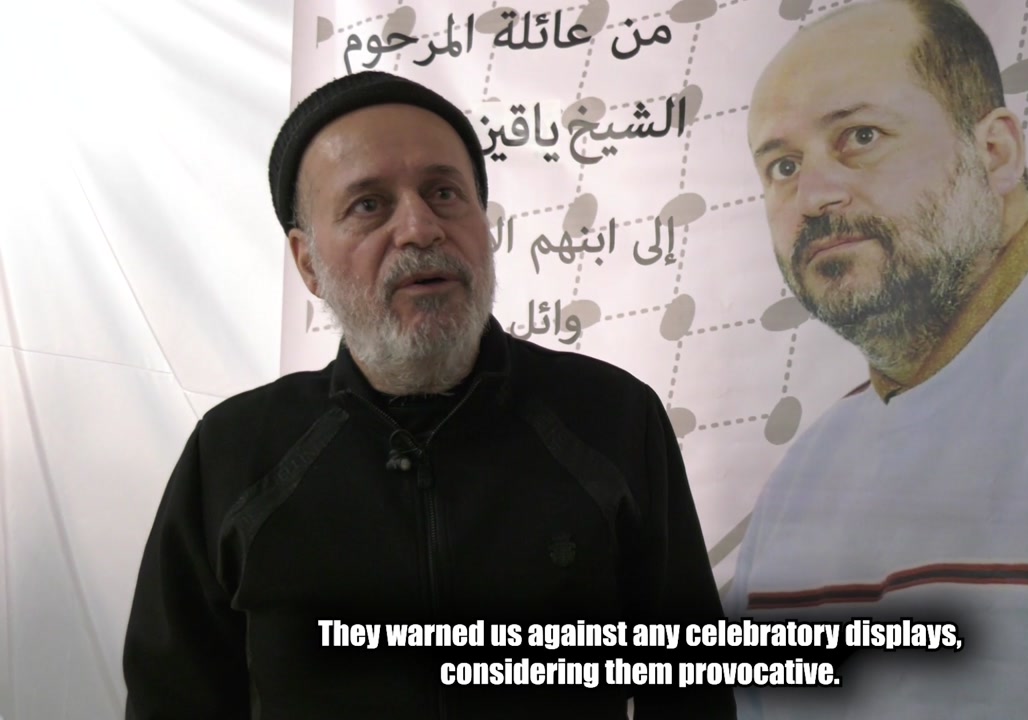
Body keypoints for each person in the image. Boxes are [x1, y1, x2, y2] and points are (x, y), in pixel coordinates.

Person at [122, 70, 735, 719]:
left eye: (444, 193)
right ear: (308, 263)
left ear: (484, 225)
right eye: (369, 205)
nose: (420, 228)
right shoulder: (234, 453)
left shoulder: (612, 419)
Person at [729, 0, 1028, 717]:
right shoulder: (799, 484)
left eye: (861, 136)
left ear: (996, 152)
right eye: (784, 166)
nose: (814, 196)